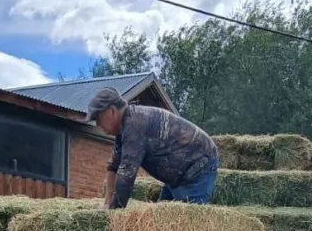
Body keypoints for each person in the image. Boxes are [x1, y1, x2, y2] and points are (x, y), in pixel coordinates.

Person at [86, 88, 219, 210]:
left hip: (199, 163)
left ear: (112, 111)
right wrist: (107, 203)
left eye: (98, 118)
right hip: (177, 174)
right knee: (162, 220)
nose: (98, 125)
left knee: (187, 220)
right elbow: (113, 167)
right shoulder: (124, 130)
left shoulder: (135, 126)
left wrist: (113, 213)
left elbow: (126, 174)